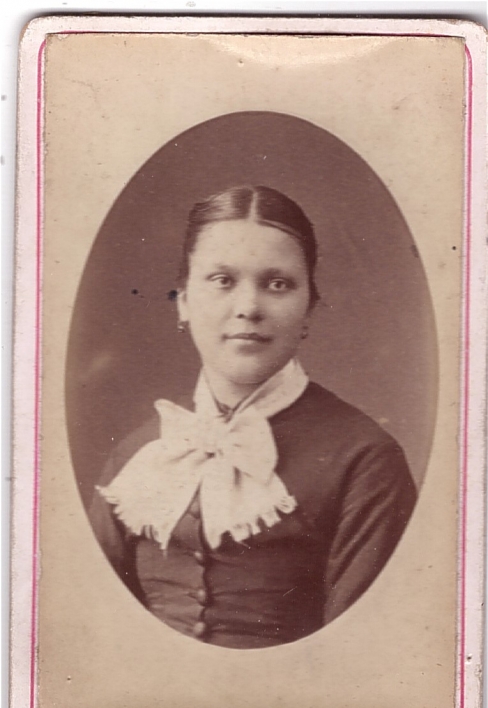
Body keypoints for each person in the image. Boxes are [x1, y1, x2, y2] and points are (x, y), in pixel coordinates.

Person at [89, 184, 417, 649]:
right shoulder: (139, 456)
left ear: (309, 307)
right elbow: (88, 635)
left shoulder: (366, 460)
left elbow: (359, 657)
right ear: (183, 300)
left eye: (277, 284)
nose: (248, 308)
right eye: (222, 280)